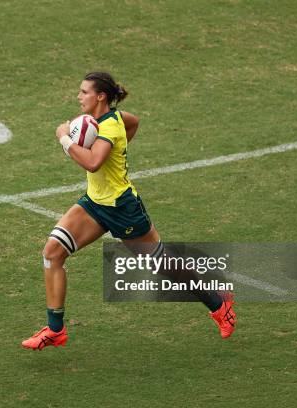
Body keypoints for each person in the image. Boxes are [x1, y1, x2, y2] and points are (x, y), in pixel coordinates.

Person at [21, 72, 236, 350]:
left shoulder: (110, 126)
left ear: (100, 96)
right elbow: (133, 123)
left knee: (162, 264)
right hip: (95, 203)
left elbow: (93, 163)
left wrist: (64, 138)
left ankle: (219, 304)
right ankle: (55, 329)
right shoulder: (111, 120)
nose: (78, 96)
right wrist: (118, 147)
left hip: (123, 208)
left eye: (84, 92)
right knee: (52, 253)